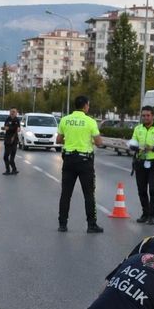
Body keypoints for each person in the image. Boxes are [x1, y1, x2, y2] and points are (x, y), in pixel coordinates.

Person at [56, 95, 104, 233]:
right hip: (85, 162)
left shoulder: (65, 120)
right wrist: (89, 141)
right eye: (88, 105)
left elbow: (59, 139)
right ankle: (91, 224)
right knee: (88, 194)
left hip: (69, 160)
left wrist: (71, 141)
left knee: (66, 194)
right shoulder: (90, 121)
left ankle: (62, 224)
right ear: (85, 106)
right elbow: (99, 142)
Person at [129, 105, 154, 225]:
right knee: (141, 190)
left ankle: (152, 216)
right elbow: (132, 144)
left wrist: (153, 148)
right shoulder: (138, 129)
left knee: (153, 189)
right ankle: (145, 213)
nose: (145, 118)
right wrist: (137, 147)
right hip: (140, 163)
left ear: (152, 116)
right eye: (143, 116)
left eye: (148, 115)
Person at [2, 108, 21, 175]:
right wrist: (5, 128)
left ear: (16, 113)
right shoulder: (8, 119)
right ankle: (8, 170)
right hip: (7, 140)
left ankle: (14, 169)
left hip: (14, 140)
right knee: (5, 156)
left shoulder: (17, 120)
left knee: (11, 158)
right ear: (9, 112)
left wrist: (9, 128)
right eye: (11, 111)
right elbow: (5, 126)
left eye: (14, 112)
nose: (12, 113)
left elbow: (17, 129)